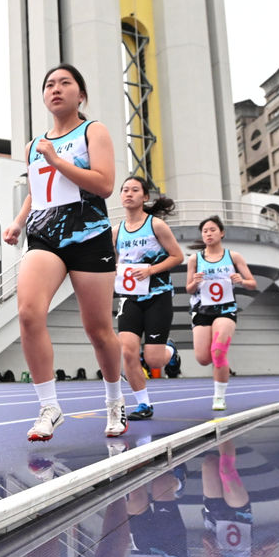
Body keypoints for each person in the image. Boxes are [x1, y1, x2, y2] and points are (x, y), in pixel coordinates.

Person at [3, 64, 126, 441]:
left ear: (80, 95)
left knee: (98, 330)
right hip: (45, 236)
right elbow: (38, 191)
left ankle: (114, 400)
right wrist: (18, 222)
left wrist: (57, 159)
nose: (56, 89)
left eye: (65, 83)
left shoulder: (93, 131)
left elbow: (105, 185)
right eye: (49, 85)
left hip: (88, 234)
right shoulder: (33, 146)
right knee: (28, 313)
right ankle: (49, 407)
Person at [112, 176, 182, 420]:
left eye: (134, 190)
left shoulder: (156, 226)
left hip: (158, 297)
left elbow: (177, 256)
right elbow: (113, 264)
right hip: (130, 298)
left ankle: (170, 350)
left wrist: (150, 270)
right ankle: (143, 404)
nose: (129, 193)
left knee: (153, 360)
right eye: (125, 190)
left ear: (145, 197)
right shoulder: (116, 231)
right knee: (128, 352)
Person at [185, 216, 257, 411]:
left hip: (226, 309)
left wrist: (241, 281)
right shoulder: (195, 259)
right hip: (202, 310)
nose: (208, 234)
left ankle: (219, 397)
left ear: (222, 233)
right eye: (205, 231)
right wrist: (195, 282)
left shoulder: (233, 257)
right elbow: (189, 289)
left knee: (218, 351)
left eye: (212, 230)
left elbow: (252, 283)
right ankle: (219, 366)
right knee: (203, 358)